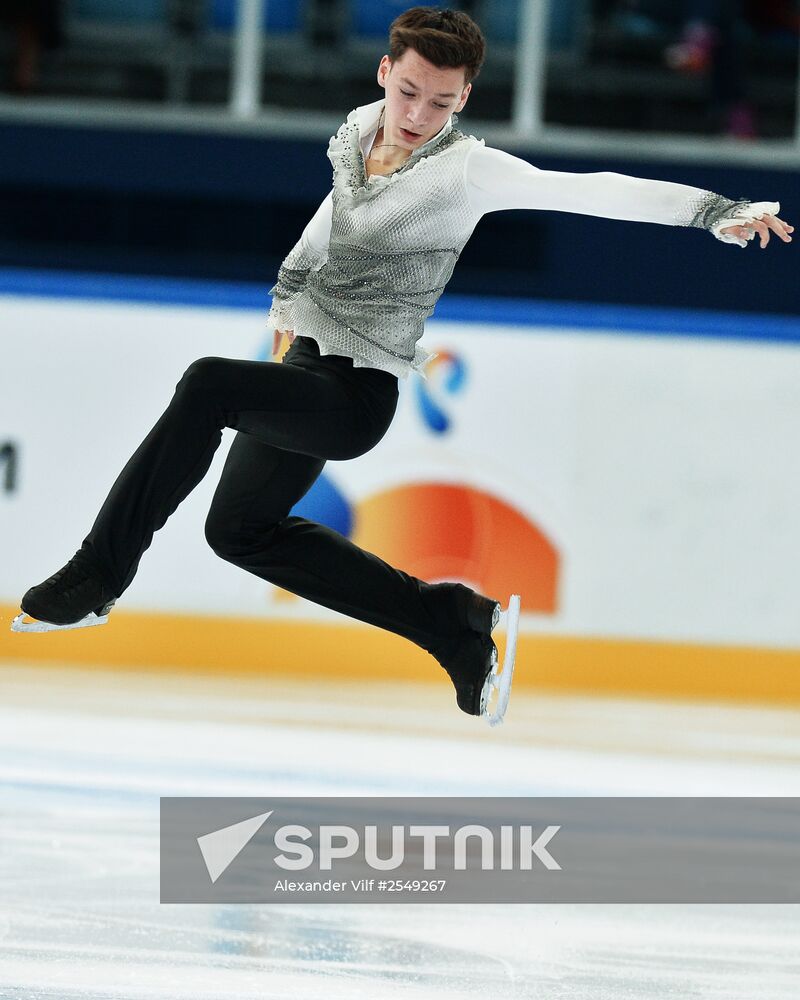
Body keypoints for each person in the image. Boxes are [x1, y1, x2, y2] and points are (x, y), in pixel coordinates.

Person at [14, 6, 793, 721]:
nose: (420, 115)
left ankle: (97, 573)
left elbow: (591, 190)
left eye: (442, 103)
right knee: (240, 531)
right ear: (385, 72)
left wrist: (713, 212)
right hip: (306, 365)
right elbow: (330, 220)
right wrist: (286, 300)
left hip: (353, 397)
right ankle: (451, 624)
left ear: (465, 98)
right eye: (410, 92)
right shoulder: (361, 128)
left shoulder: (467, 171)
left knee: (206, 383)